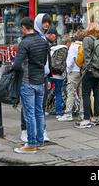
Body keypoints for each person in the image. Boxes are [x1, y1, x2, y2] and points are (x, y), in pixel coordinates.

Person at [13, 17, 49, 154]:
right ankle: (40, 140)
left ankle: (31, 144)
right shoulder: (43, 41)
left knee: (29, 114)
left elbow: (17, 65)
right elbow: (44, 61)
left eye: (21, 28)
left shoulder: (24, 43)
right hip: (40, 81)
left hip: (27, 81)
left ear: (23, 27)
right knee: (39, 112)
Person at [20, 13, 52, 143]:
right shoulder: (33, 39)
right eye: (44, 22)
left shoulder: (44, 39)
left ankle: (40, 133)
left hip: (41, 76)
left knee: (39, 107)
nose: (46, 25)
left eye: (48, 22)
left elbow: (47, 60)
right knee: (29, 107)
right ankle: (26, 131)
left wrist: (49, 76)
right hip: (31, 77)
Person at [76, 22, 99, 129]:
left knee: (86, 94)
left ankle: (86, 119)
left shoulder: (87, 39)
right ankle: (95, 118)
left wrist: (86, 68)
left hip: (90, 71)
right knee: (97, 94)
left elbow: (86, 57)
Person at [58, 30, 85, 122]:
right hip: (83, 72)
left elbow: (70, 62)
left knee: (71, 92)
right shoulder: (85, 45)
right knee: (82, 94)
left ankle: (68, 113)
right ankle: (82, 113)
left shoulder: (73, 46)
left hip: (74, 72)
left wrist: (68, 71)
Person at [48, 30, 70, 117]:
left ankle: (43, 109)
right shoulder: (65, 50)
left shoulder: (53, 49)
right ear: (67, 42)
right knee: (58, 93)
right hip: (60, 75)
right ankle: (59, 112)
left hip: (51, 73)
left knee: (46, 92)